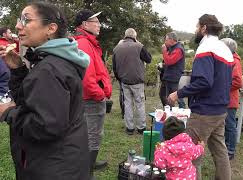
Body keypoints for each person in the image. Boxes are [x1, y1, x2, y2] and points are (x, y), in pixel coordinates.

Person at [0, 2, 90, 180]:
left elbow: (45, 126)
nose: (18, 26)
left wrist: (8, 112)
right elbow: (34, 100)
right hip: (66, 159)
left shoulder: (48, 69)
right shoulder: (57, 60)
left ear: (50, 28)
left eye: (26, 19)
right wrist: (18, 70)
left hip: (51, 167)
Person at [167, 14, 234, 180]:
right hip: (220, 110)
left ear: (204, 28)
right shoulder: (225, 49)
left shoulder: (206, 48)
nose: (196, 30)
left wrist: (178, 93)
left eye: (197, 26)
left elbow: (204, 81)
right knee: (220, 152)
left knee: (191, 155)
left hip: (204, 112)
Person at [73, 9, 113, 177]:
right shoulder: (83, 43)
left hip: (92, 96)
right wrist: (100, 94)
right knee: (93, 134)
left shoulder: (89, 42)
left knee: (91, 132)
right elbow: (87, 78)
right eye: (95, 22)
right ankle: (86, 171)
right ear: (84, 24)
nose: (99, 25)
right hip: (91, 98)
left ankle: (90, 163)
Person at [112, 28, 152, 135]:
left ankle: (129, 128)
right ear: (135, 36)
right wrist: (139, 43)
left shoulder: (117, 48)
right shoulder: (139, 46)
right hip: (137, 81)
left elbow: (114, 67)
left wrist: (120, 79)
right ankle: (141, 127)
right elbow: (149, 59)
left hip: (124, 81)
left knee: (128, 104)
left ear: (125, 36)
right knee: (139, 104)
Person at [221, 38, 243, 160]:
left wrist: (222, 86)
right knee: (226, 124)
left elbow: (238, 82)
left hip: (230, 99)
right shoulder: (228, 60)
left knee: (230, 125)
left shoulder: (235, 61)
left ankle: (231, 150)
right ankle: (226, 147)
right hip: (225, 98)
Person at [162, 32, 185, 108]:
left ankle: (183, 114)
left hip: (175, 78)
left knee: (178, 97)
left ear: (171, 40)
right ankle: (170, 115)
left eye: (166, 40)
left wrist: (164, 51)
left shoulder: (178, 49)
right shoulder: (172, 48)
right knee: (169, 98)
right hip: (169, 77)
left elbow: (169, 61)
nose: (164, 42)